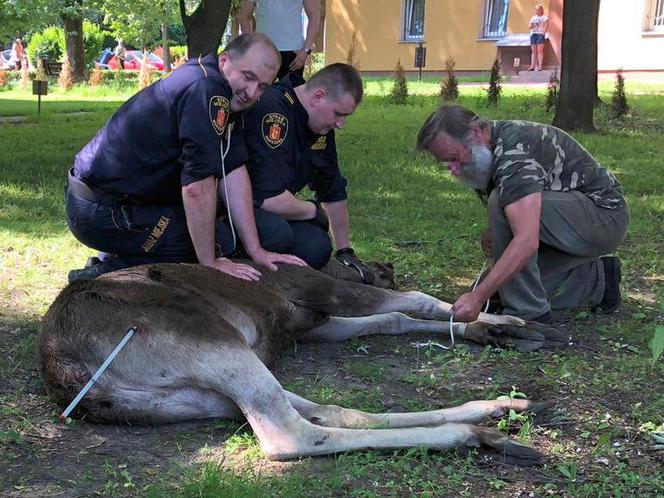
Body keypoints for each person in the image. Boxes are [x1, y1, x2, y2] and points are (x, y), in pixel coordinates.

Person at [66, 33, 305, 283]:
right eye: (248, 77)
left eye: (262, 87)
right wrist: (209, 262)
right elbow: (196, 188)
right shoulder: (207, 89)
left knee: (217, 235)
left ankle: (118, 254)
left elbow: (233, 170)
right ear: (224, 61)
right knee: (207, 243)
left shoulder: (223, 91)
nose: (252, 92)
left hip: (118, 202)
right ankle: (104, 274)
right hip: (101, 211)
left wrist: (256, 250)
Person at [416, 105, 629, 323]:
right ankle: (599, 279)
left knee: (501, 203)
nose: (452, 169)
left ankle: (529, 315)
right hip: (572, 222)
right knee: (504, 292)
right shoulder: (480, 154)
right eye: (444, 162)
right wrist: (493, 236)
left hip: (604, 217)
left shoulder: (513, 153)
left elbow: (526, 240)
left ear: (475, 133)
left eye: (453, 157)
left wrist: (477, 297)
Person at [225, 63, 373, 281]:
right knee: (278, 234)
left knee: (317, 247)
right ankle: (230, 254)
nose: (341, 124)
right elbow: (270, 200)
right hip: (232, 209)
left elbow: (331, 187)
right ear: (318, 96)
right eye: (339, 114)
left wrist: (344, 251)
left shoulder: (321, 126)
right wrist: (313, 211)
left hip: (268, 212)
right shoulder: (273, 111)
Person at [239, 0, 321, 80]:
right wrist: (251, 47)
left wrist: (306, 50)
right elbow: (244, 16)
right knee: (261, 92)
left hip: (293, 53)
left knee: (291, 92)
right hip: (263, 50)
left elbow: (314, 16)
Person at [527, 4, 548, 71]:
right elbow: (529, 26)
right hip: (533, 34)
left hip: (540, 34)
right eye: (536, 9)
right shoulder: (533, 18)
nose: (537, 11)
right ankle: (532, 66)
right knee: (533, 51)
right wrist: (532, 26)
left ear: (541, 10)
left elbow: (546, 26)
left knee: (540, 50)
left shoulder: (544, 18)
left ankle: (540, 66)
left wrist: (543, 34)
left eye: (538, 9)